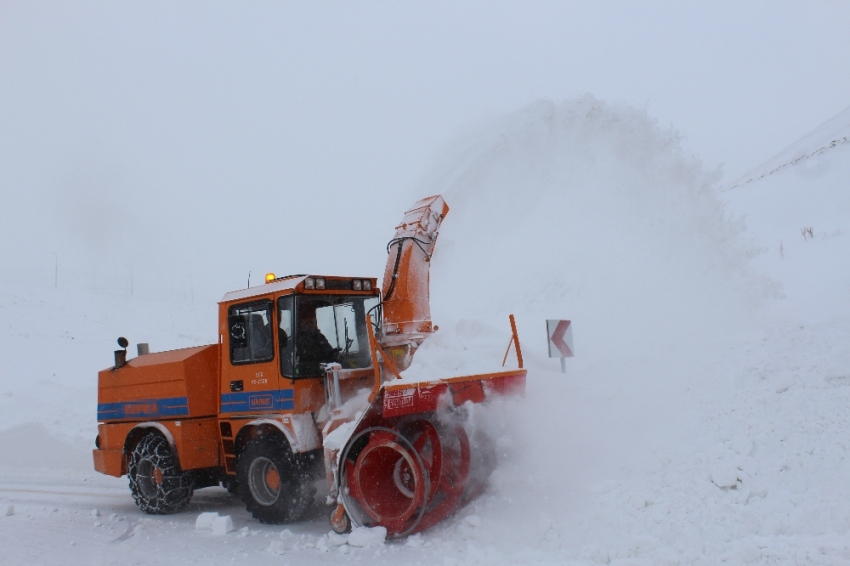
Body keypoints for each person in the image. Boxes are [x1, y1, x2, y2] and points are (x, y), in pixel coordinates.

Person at [296, 304, 339, 376]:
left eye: (312, 322)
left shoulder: (320, 337)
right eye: (307, 323)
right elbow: (298, 364)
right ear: (302, 324)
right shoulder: (298, 340)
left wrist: (334, 354)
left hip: (325, 375)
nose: (310, 325)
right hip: (309, 377)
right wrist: (317, 366)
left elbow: (328, 352)